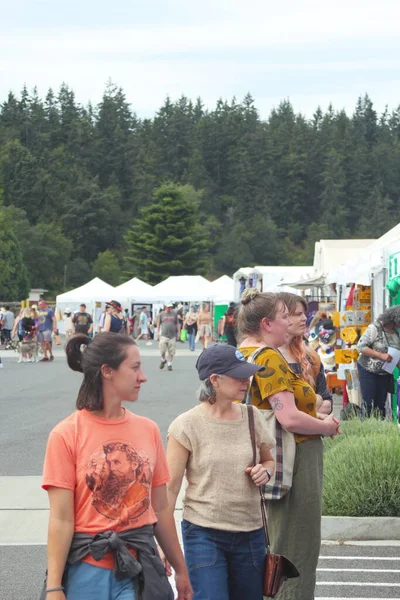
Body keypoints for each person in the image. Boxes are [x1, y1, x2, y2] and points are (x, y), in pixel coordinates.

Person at [41, 332, 192, 600]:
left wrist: (181, 570)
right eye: (134, 367)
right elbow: (61, 519)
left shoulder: (148, 429)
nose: (142, 376)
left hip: (138, 568)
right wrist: (54, 587)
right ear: (107, 371)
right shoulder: (65, 434)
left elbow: (160, 508)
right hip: (85, 570)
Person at [238, 289, 340, 600]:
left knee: (277, 538)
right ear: (267, 323)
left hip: (271, 456)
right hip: (293, 457)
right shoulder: (268, 357)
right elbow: (289, 418)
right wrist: (324, 426)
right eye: (285, 316)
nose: (291, 323)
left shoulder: (242, 353)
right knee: (297, 542)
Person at [165, 344, 275, 600]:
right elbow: (169, 489)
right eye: (239, 375)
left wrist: (265, 472)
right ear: (214, 380)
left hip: (251, 532)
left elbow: (269, 461)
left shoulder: (252, 416)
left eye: (247, 374)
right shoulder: (186, 425)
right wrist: (164, 543)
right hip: (204, 533)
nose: (246, 381)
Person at [278, 293, 333, 419]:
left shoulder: (311, 357)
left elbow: (328, 402)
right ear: (281, 317)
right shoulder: (267, 355)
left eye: (304, 313)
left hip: (309, 435)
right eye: (297, 314)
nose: (304, 318)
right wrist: (316, 403)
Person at [357, 305, 400, 418]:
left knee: (381, 404)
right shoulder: (375, 328)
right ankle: (365, 429)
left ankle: (378, 430)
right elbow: (361, 347)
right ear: (393, 319)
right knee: (369, 403)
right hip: (368, 370)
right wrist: (380, 355)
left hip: (385, 373)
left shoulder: (396, 334)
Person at [157, 303, 178, 371]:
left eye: (170, 307)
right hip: (163, 335)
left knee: (171, 351)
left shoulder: (174, 314)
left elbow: (177, 323)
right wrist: (157, 333)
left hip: (172, 335)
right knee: (162, 350)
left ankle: (169, 364)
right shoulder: (161, 314)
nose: (169, 308)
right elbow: (158, 324)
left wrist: (179, 332)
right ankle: (163, 359)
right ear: (165, 307)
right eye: (168, 307)